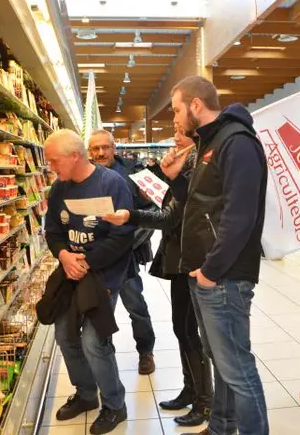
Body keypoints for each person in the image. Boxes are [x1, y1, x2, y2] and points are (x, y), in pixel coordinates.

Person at [160, 76, 269, 435]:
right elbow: (203, 206)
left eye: (177, 110)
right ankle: (221, 427)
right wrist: (176, 179)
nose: (174, 119)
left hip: (224, 277)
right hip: (206, 274)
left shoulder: (236, 143)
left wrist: (211, 270)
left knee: (237, 368)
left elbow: (240, 216)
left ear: (195, 105)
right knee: (221, 363)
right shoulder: (209, 144)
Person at [104, 131, 213, 427]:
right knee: (182, 328)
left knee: (190, 332)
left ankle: (205, 402)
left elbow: (169, 218)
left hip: (191, 262)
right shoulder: (185, 171)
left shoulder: (195, 173)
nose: (174, 138)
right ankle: (191, 390)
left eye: (180, 133)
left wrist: (130, 216)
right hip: (180, 260)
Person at [42, 129, 133, 434]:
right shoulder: (59, 189)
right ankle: (85, 394)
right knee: (64, 334)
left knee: (94, 341)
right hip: (71, 272)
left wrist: (87, 262)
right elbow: (52, 231)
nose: (52, 167)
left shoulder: (112, 184)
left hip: (104, 274)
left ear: (74, 156)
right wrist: (65, 256)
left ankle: (114, 405)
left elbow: (123, 237)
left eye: (55, 161)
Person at [88, 129, 157, 375]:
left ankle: (146, 352)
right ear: (89, 151)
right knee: (101, 310)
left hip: (126, 255)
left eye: (105, 147)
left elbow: (151, 213)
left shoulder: (134, 172)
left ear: (114, 148)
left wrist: (131, 244)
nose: (100, 153)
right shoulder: (84, 175)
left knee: (135, 305)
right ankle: (105, 356)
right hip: (96, 259)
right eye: (95, 148)